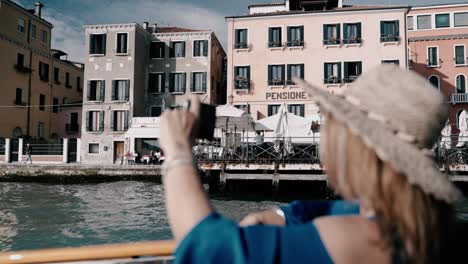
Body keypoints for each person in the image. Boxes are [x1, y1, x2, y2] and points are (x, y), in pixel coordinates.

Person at [159, 66, 464, 264]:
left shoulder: (357, 239)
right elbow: (331, 211)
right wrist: (281, 215)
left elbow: (207, 248)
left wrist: (177, 152)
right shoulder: (428, 224)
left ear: (355, 146)